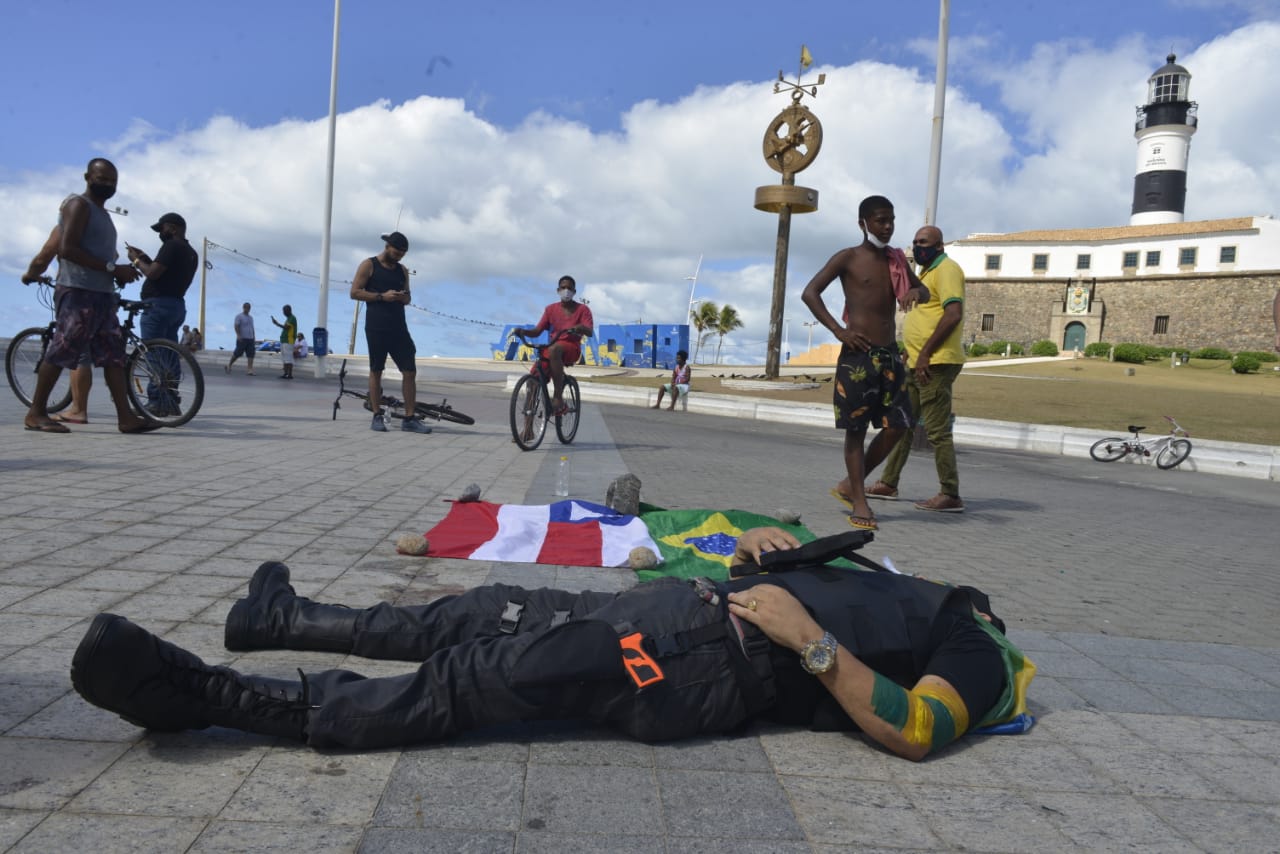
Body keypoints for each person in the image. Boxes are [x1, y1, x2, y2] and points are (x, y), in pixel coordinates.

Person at [69, 526, 1024, 761]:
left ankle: (205, 698)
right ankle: (282, 619)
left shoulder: (966, 636)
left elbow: (921, 728)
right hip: (667, 613)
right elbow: (777, 591)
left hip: (699, 668)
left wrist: (812, 639)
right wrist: (762, 559)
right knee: (471, 611)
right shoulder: (882, 581)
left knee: (473, 680)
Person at [801, 196, 930, 531]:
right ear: (863, 224)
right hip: (857, 356)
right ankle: (859, 499)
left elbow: (924, 292)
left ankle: (849, 484)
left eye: (891, 220)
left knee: (899, 426)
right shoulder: (848, 258)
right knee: (855, 432)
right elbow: (810, 293)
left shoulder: (897, 260)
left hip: (889, 354)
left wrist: (917, 292)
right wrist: (838, 331)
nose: (887, 227)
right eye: (879, 221)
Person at [22, 158, 157, 434]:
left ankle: (126, 418)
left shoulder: (104, 215)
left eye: (112, 182)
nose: (107, 185)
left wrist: (118, 271)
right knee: (62, 348)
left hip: (103, 294)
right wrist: (112, 267)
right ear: (87, 177)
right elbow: (67, 249)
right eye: (102, 179)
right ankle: (36, 413)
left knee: (113, 355)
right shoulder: (78, 205)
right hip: (78, 291)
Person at [841, 225, 967, 513]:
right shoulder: (925, 274)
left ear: (940, 246)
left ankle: (950, 493)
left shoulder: (947, 269)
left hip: (937, 362)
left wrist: (925, 354)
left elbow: (953, 314)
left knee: (936, 431)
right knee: (900, 426)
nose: (918, 246)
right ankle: (888, 482)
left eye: (924, 242)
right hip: (917, 361)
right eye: (915, 242)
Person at [349, 232, 432, 433]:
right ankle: (377, 415)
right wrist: (381, 296)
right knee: (376, 371)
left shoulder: (402, 270)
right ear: (387, 247)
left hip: (399, 328)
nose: (399, 257)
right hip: (376, 326)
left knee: (410, 371)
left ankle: (409, 418)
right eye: (396, 252)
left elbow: (408, 296)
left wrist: (404, 298)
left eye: (402, 254)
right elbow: (354, 292)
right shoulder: (369, 265)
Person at [127, 212, 199, 416]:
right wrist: (145, 258)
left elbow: (152, 273)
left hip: (156, 306)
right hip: (176, 305)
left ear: (174, 228)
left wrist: (135, 261)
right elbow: (165, 271)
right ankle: (171, 399)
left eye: (163, 228)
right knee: (169, 354)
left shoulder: (171, 246)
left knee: (154, 354)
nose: (161, 232)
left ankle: (157, 400)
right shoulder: (190, 251)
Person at [22, 224, 94, 424]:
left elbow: (44, 256)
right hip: (100, 292)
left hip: (75, 290)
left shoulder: (67, 226)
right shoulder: (99, 227)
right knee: (101, 351)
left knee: (78, 351)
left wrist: (31, 274)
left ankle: (78, 409)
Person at [512, 275, 594, 413]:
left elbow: (590, 331)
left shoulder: (583, 310)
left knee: (554, 349)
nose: (566, 290)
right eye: (563, 287)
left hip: (571, 348)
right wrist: (523, 332)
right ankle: (527, 430)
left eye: (569, 288)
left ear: (574, 291)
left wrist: (580, 327)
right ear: (558, 290)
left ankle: (557, 397)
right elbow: (537, 331)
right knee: (532, 381)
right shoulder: (550, 309)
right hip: (552, 349)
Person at [226, 302, 256, 375]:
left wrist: (254, 336)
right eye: (246, 307)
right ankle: (229, 364)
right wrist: (238, 335)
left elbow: (252, 328)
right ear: (243, 308)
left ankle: (250, 370)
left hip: (250, 338)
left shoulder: (251, 318)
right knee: (238, 353)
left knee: (251, 354)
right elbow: (236, 326)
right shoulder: (239, 316)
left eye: (248, 308)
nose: (247, 309)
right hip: (242, 338)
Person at [271, 304, 297, 379]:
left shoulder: (292, 318)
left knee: (288, 357)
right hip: (284, 340)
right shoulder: (288, 318)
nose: (283, 312)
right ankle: (286, 373)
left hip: (289, 340)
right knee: (285, 357)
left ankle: (290, 374)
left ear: (288, 310)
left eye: (284, 311)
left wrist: (276, 323)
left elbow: (286, 327)